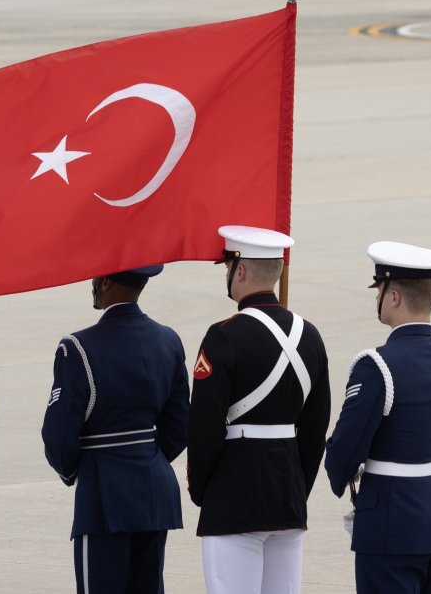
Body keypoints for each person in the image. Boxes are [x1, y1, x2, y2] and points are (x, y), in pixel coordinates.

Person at [324, 242, 431, 594]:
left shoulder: (377, 366)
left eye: (379, 289)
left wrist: (338, 471)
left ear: (393, 296)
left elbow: (346, 450)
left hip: (390, 526)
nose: (376, 296)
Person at [187, 226, 331, 594]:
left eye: (228, 266)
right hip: (288, 496)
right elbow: (316, 430)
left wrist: (204, 492)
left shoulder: (224, 335)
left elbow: (204, 427)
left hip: (234, 496)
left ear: (242, 271)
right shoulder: (310, 335)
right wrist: (298, 488)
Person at [41, 264, 190, 594]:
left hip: (104, 491)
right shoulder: (169, 340)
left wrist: (77, 471)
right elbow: (179, 427)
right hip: (155, 492)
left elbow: (57, 437)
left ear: (105, 281)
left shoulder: (78, 347)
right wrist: (146, 458)